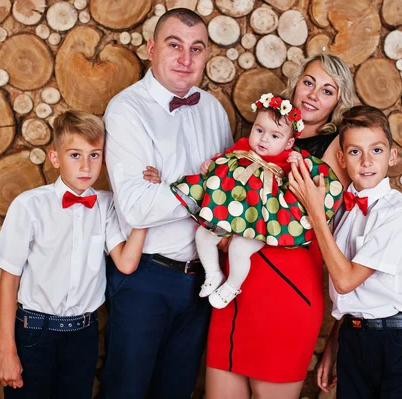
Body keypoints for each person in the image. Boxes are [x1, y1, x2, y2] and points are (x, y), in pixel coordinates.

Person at [99, 8, 233, 399]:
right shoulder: (126, 110)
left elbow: (232, 196)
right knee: (126, 390)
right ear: (151, 48)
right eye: (174, 45)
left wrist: (174, 189)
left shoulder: (213, 111)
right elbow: (138, 207)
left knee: (175, 391)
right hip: (145, 278)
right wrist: (207, 188)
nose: (185, 59)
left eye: (197, 48)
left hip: (202, 281)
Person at [205, 54, 356, 398]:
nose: (314, 94)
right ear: (295, 83)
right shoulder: (266, 130)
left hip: (286, 289)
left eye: (327, 90)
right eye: (309, 82)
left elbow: (305, 215)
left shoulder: (335, 148)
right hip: (233, 288)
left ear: (337, 103)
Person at [0, 110, 148, 398]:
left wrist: (146, 204)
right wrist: (6, 352)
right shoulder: (29, 206)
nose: (86, 166)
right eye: (75, 155)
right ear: (55, 158)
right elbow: (8, 281)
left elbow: (126, 263)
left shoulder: (106, 205)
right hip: (34, 334)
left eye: (95, 155)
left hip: (83, 336)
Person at [290, 105, 402, 398]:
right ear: (342, 158)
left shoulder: (399, 212)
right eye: (355, 152)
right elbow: (351, 296)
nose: (366, 161)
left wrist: (315, 212)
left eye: (376, 150)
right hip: (352, 340)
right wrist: (334, 343)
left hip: (398, 343)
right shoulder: (346, 210)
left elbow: (346, 280)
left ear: (392, 156)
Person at [170, 93, 343, 309]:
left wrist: (300, 162)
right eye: (259, 130)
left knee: (240, 249)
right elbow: (224, 160)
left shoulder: (288, 158)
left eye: (275, 136)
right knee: (203, 234)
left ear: (289, 143)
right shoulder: (242, 148)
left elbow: (303, 181)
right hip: (231, 213)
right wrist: (210, 165)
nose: (263, 139)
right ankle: (213, 272)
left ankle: (232, 285)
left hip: (262, 221)